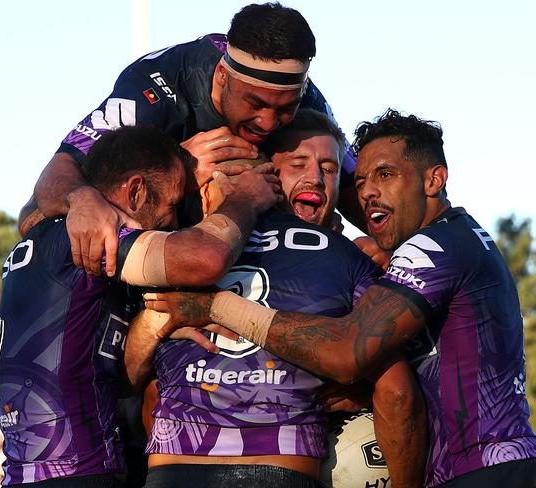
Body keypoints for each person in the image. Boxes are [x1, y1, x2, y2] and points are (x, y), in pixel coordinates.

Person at [146, 109, 536, 487]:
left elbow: (349, 351)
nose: (366, 191)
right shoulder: (451, 239)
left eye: (386, 174)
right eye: (362, 179)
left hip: (481, 467)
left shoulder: (432, 247)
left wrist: (217, 306)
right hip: (491, 461)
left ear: (434, 180)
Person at [127, 110, 426, 488]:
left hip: (170, 471)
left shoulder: (178, 256)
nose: (316, 178)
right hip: (280, 468)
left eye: (330, 168)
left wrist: (159, 318)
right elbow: (397, 391)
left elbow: (132, 386)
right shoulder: (349, 259)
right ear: (267, 177)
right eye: (298, 163)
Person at [0, 125, 280, 486]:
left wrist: (157, 321)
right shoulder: (89, 236)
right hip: (77, 475)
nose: (176, 222)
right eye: (173, 205)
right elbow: (206, 256)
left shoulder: (53, 244)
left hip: (35, 475)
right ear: (134, 191)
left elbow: (114, 381)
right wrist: (246, 200)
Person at [22, 2, 362, 278]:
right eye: (255, 104)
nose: (268, 122)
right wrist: (172, 171)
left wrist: (380, 249)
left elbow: (357, 190)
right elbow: (53, 180)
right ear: (223, 76)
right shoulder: (155, 86)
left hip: (243, 253)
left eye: (286, 109)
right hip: (164, 245)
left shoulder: (310, 99)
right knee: (45, 216)